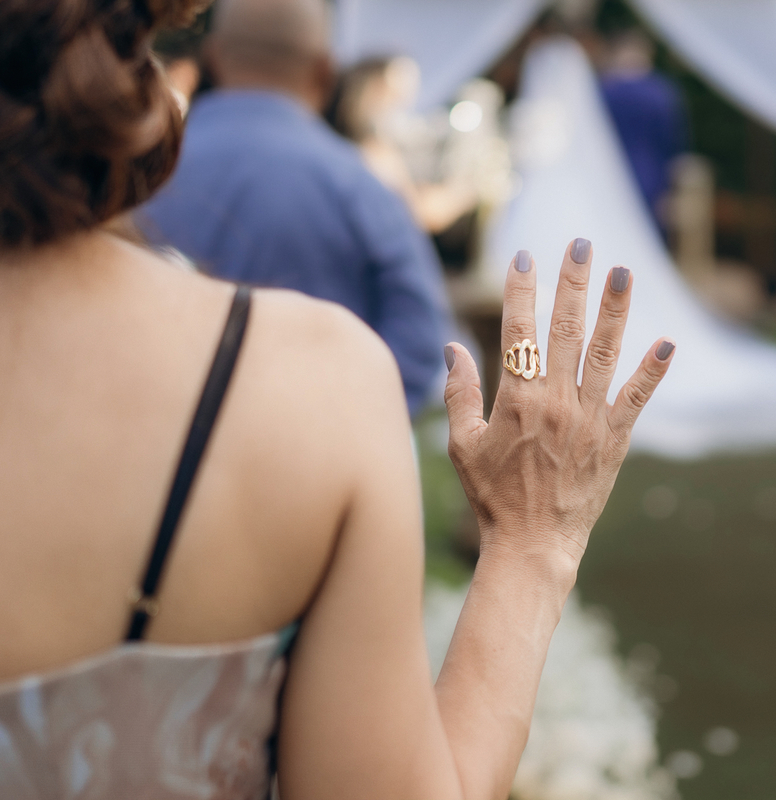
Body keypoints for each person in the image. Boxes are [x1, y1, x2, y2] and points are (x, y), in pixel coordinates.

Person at [0, 0, 675, 797]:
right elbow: (424, 352)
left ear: (207, 63)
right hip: (266, 476)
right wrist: (532, 544)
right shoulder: (329, 356)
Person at [138, 0, 451, 414]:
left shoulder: (141, 175)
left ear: (213, 56)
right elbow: (423, 343)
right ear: (324, 71)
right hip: (314, 453)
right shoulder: (361, 188)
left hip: (157, 445)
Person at [327, 57, 479, 235]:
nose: (401, 107)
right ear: (374, 91)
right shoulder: (372, 152)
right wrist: (465, 192)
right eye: (395, 97)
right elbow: (422, 214)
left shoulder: (337, 143)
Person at [598, 29, 687, 239]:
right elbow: (673, 140)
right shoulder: (662, 92)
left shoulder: (603, 91)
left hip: (608, 171)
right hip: (651, 173)